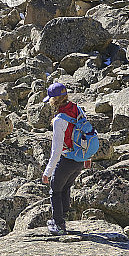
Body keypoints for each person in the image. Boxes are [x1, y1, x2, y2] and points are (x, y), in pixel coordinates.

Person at [42, 82, 89, 235]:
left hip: (67, 159)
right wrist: (88, 157)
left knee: (55, 190)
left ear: (54, 100)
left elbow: (56, 151)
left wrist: (47, 172)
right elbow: (87, 133)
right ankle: (64, 214)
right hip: (80, 159)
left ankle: (59, 225)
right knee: (66, 187)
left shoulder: (58, 120)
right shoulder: (77, 108)